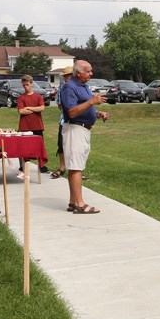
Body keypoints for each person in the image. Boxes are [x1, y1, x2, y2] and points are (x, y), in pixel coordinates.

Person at [59, 60, 108, 214]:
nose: (91, 74)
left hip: (83, 130)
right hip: (75, 129)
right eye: (88, 71)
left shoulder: (83, 86)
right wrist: (92, 101)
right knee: (76, 167)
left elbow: (85, 108)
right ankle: (80, 204)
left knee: (76, 166)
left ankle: (73, 202)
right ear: (78, 72)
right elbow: (72, 112)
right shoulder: (69, 87)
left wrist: (98, 113)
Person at [15, 74, 49, 175]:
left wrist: (29, 108)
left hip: (37, 125)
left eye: (28, 85)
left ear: (32, 84)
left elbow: (42, 108)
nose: (26, 87)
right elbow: (21, 111)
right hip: (24, 126)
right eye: (24, 85)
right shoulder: (21, 98)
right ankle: (22, 165)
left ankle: (41, 165)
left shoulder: (38, 96)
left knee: (39, 146)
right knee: (22, 147)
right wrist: (35, 109)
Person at [49, 66, 74, 179]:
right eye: (64, 76)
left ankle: (75, 170)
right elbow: (59, 105)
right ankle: (62, 167)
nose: (65, 78)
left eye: (67, 76)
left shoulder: (80, 87)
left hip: (77, 123)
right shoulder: (61, 88)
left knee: (74, 146)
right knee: (61, 145)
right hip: (64, 121)